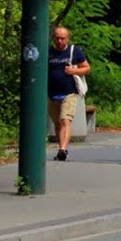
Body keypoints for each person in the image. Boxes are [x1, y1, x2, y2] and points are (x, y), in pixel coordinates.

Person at [48, 26, 90, 161]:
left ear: (67, 38)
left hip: (69, 92)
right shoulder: (48, 52)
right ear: (53, 38)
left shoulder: (75, 51)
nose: (60, 41)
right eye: (57, 38)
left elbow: (87, 68)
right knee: (57, 123)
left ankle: (63, 148)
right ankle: (62, 150)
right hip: (52, 93)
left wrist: (74, 71)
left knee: (65, 120)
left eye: (62, 38)